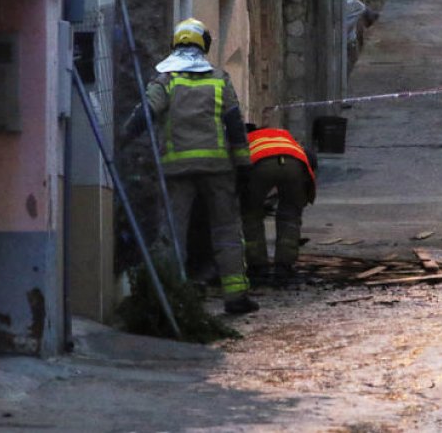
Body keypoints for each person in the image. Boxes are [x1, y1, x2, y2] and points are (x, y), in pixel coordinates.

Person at [123, 18, 258, 314]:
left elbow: (143, 115)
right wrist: (244, 167)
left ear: (175, 45)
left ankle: (175, 297)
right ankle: (236, 296)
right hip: (217, 168)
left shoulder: (166, 81)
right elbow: (235, 127)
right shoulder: (219, 79)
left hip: (176, 170)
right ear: (204, 46)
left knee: (175, 232)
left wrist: (121, 139)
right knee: (225, 229)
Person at [241, 125, 317, 285]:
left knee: (251, 215)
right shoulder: (283, 135)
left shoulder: (246, 140)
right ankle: (284, 266)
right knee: (290, 216)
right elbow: (310, 157)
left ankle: (258, 266)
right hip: (294, 163)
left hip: (260, 164)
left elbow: (238, 170)